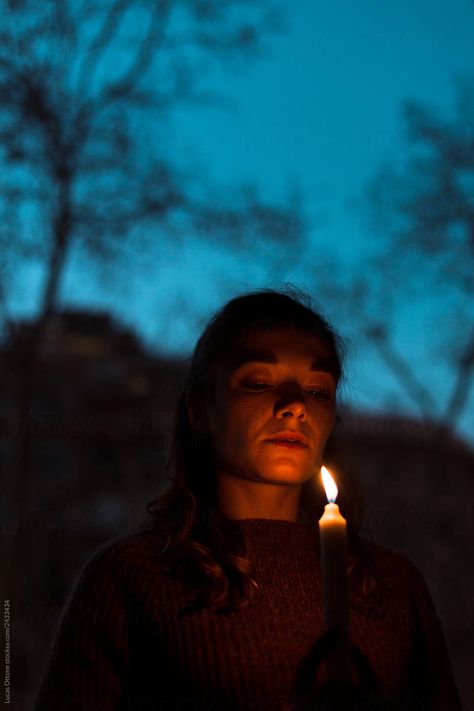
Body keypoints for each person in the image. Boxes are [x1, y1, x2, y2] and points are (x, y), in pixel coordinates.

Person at [34, 289, 462, 710]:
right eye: (258, 382)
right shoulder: (132, 578)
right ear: (202, 410)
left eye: (317, 391)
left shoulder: (392, 585)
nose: (295, 406)